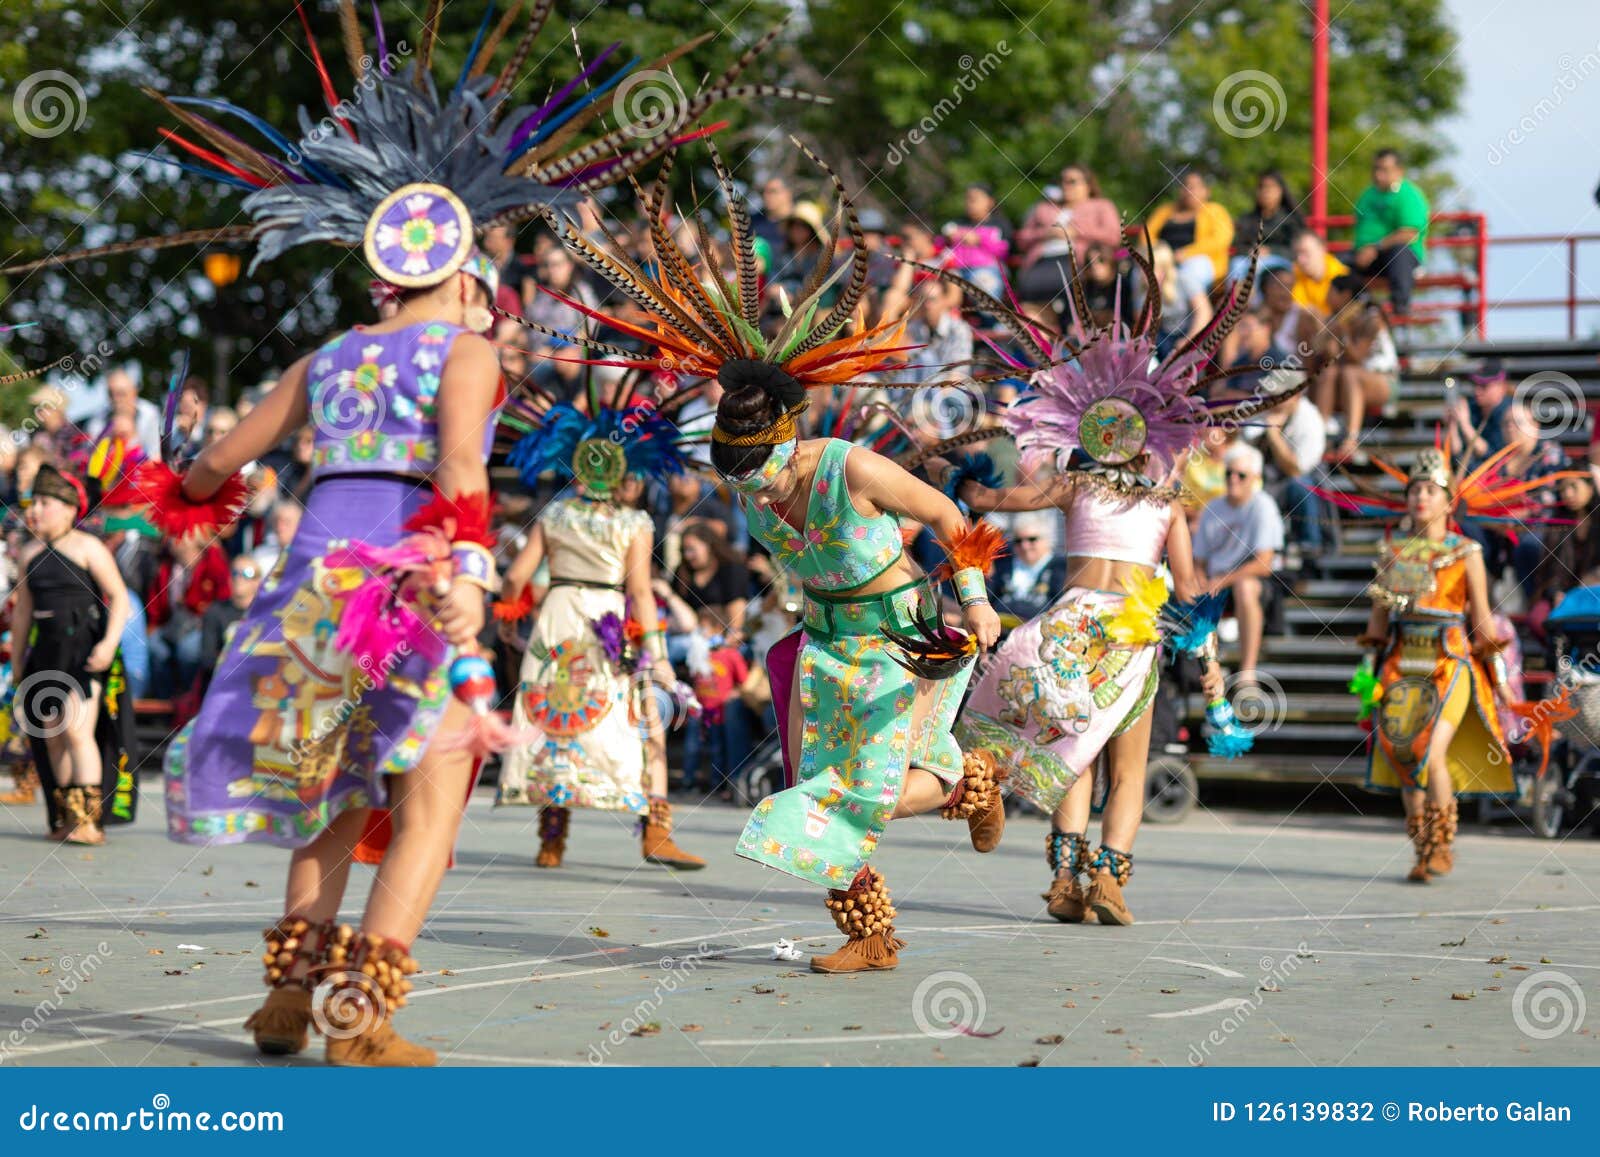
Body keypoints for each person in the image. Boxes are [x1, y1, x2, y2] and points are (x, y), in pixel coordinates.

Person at [36, 1, 788, 1067]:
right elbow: (463, 470)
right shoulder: (467, 350)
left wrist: (198, 504)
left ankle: (286, 1000)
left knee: (334, 795)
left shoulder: (329, 357)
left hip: (306, 587)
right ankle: (361, 1017)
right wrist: (469, 574)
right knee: (431, 793)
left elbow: (204, 470)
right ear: (464, 263)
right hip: (408, 578)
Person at [541, 146, 1009, 974]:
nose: (748, 486)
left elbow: (944, 512)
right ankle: (869, 934)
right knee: (814, 796)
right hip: (824, 647)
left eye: (756, 467)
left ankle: (971, 776)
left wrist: (973, 599)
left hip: (905, 642)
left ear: (787, 437)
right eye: (736, 473)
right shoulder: (757, 488)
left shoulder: (847, 466)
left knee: (862, 793)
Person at [493, 384, 706, 871]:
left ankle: (552, 840)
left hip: (558, 618)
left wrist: (510, 615)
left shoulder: (554, 514)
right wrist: (656, 657)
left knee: (557, 720)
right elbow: (641, 593)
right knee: (635, 717)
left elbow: (515, 578)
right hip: (607, 621)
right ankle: (656, 833)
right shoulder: (634, 524)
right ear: (621, 475)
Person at [1353, 448, 1524, 882]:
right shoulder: (1391, 550)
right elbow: (1377, 624)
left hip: (1449, 662)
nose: (1420, 497)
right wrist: (1365, 676)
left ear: (1448, 500)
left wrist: (1501, 679)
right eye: (1414, 490)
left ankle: (1441, 844)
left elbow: (1482, 621)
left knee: (1433, 755)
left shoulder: (1466, 552)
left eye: (1430, 489)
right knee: (1405, 756)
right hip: (1399, 664)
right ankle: (1422, 848)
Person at [10, 465, 135, 844]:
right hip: (45, 652)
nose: (35, 510)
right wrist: (18, 663)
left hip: (82, 650)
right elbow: (22, 614)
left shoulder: (88, 547)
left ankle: (89, 822)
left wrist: (108, 643)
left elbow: (120, 598)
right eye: (33, 503)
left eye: (45, 502)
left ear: (68, 508)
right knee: (53, 737)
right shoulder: (29, 554)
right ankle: (67, 817)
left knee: (78, 730)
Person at [1191, 443, 1283, 680]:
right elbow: (1198, 561)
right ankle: (1205, 670)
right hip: (1216, 580)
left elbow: (1264, 562)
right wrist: (1202, 582)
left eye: (1241, 475)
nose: (1233, 479)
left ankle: (1247, 670)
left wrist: (1220, 581)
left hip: (1247, 582)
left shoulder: (1263, 505)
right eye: (1228, 473)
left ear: (1255, 478)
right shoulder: (1213, 507)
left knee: (1246, 588)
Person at [1314, 274, 1399, 459]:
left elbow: (1357, 358)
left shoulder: (1372, 317)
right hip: (1349, 380)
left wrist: (1342, 333)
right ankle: (1319, 435)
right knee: (1328, 373)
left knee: (1350, 373)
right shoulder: (1335, 319)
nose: (1326, 297)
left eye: (1330, 292)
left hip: (1383, 379)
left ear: (1345, 295)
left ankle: (1351, 440)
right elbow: (1319, 351)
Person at [1015, 164, 1122, 303]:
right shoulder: (1043, 207)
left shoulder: (1101, 205)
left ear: (1088, 185)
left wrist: (1076, 232)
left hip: (1077, 261)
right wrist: (1046, 234)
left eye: (1072, 181)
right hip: (1041, 262)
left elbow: (1114, 236)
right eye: (1062, 181)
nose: (1065, 185)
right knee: (1028, 289)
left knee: (1067, 286)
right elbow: (1022, 238)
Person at [1349, 148, 1430, 314]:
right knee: (1336, 266)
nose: (1378, 175)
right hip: (1366, 256)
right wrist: (1363, 252)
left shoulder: (1409, 195)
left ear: (1399, 171)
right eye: (1376, 169)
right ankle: (1354, 313)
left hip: (1399, 257)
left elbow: (1409, 234)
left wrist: (1375, 247)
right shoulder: (1368, 196)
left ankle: (1400, 311)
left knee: (1399, 254)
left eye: (1384, 170)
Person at [1145, 169, 1235, 305]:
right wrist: (1161, 255)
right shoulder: (1164, 211)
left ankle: (1189, 319)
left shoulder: (1216, 211)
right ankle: (1143, 321)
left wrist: (1187, 253)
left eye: (1194, 187)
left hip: (1200, 260)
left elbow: (1221, 240)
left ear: (1206, 191)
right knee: (1142, 273)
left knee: (1187, 275)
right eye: (1184, 186)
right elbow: (1146, 235)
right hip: (1163, 260)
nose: (1188, 191)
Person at [986, 513, 1068, 623]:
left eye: (1032, 539)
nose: (1025, 546)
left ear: (1047, 540)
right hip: (1000, 629)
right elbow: (989, 597)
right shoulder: (1002, 563)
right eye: (1018, 541)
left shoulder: (1061, 567)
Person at [942, 183, 1013, 298]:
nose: (969, 202)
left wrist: (979, 240)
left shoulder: (1000, 225)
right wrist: (947, 239)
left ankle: (989, 315)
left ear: (990, 202)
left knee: (984, 286)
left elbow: (1003, 253)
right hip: (957, 270)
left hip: (987, 270)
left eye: (975, 199)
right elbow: (939, 245)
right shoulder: (958, 223)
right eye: (967, 199)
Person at [100, 368, 163, 458]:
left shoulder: (150, 414)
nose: (115, 399)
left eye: (121, 393)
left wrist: (131, 438)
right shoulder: (100, 417)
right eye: (111, 394)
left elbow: (155, 455)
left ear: (134, 392)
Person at [1289, 230, 1349, 316]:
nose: (1300, 260)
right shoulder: (1292, 275)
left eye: (1305, 252)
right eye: (1297, 254)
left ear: (1322, 249)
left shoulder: (1343, 276)